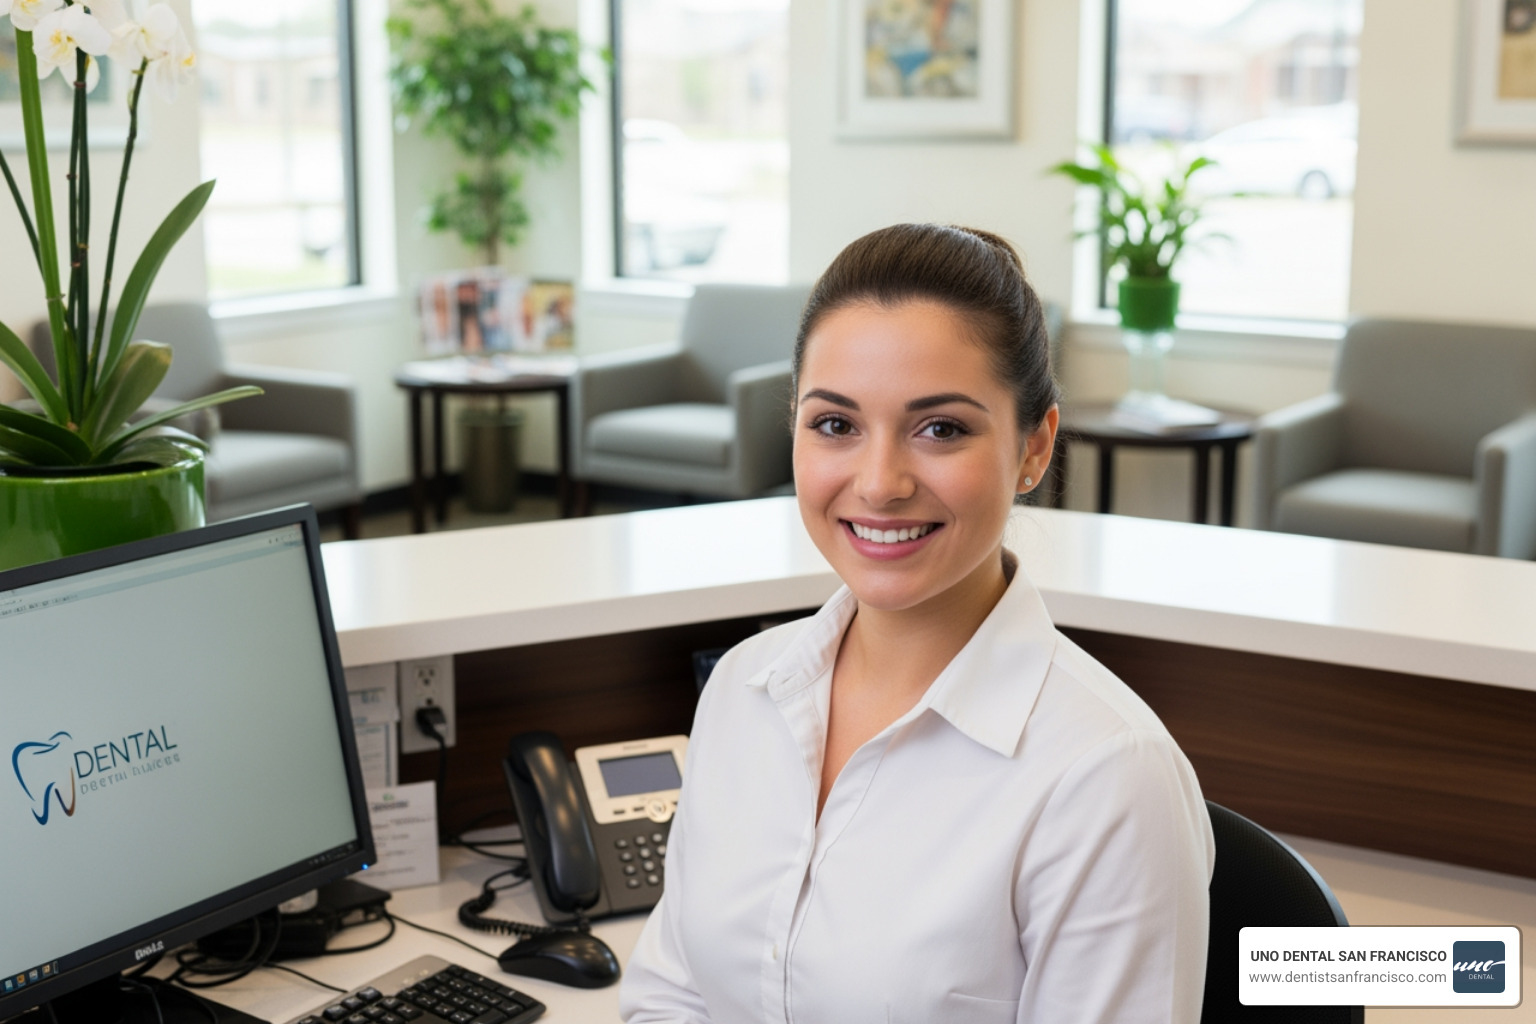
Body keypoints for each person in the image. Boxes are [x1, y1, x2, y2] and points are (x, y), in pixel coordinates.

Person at [619, 223, 1214, 1024]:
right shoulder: (742, 689)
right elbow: (673, 991)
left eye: (941, 429)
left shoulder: (1107, 777)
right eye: (836, 424)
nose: (880, 482)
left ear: (1035, 447)